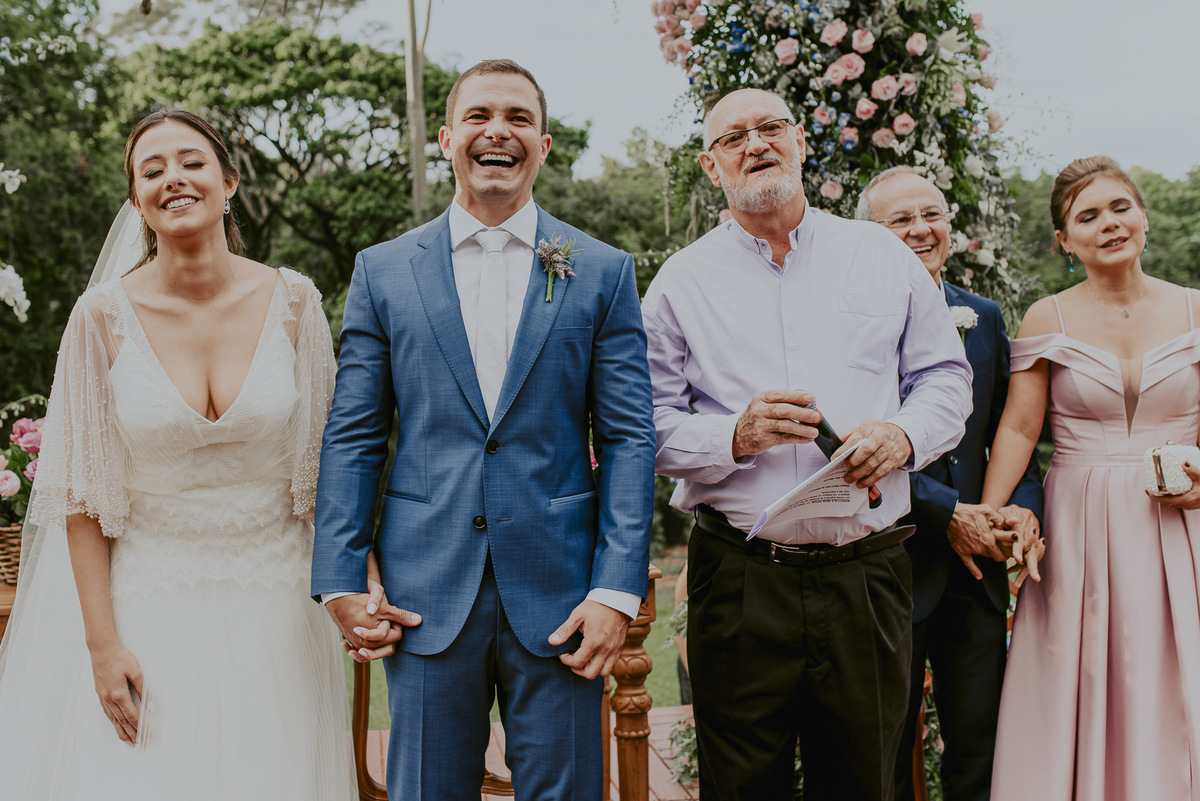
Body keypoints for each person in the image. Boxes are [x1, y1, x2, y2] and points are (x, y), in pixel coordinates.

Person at [310, 59, 656, 801]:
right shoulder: (382, 271)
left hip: (564, 596)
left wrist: (616, 588)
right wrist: (341, 572)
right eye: (478, 116)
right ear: (446, 138)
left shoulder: (602, 270)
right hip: (424, 592)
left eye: (517, 118)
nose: (497, 130)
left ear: (545, 144)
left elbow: (629, 437)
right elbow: (355, 434)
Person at [0, 110, 356, 799]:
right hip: (147, 603)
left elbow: (323, 472)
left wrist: (352, 579)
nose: (174, 179)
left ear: (228, 181)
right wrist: (103, 646)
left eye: (191, 162)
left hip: (277, 605)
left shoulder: (295, 303)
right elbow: (80, 498)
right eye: (152, 169)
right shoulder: (99, 317)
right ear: (137, 201)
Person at [641, 88, 973, 801]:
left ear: (799, 140)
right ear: (710, 164)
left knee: (866, 781)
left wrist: (903, 433)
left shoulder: (880, 254)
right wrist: (733, 434)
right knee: (741, 786)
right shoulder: (679, 284)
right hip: (739, 577)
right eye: (735, 137)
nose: (755, 144)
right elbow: (648, 424)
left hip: (866, 570)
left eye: (770, 128)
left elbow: (947, 378)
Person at [983, 156, 1200, 800]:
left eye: (1119, 207)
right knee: (1078, 673)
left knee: (1175, 674)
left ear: (1143, 216)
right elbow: (1019, 432)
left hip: (1182, 522)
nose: (1109, 223)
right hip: (1081, 528)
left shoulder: (1195, 311)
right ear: (1064, 240)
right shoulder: (1047, 318)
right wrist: (989, 521)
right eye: (1088, 216)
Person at [856, 167, 1043, 801]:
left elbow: (1011, 431)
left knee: (983, 747)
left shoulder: (982, 316)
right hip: (890, 567)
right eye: (899, 219)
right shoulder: (848, 323)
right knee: (881, 747)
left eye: (930, 214)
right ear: (868, 236)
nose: (920, 229)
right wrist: (948, 513)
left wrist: (1020, 511)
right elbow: (849, 442)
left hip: (976, 575)